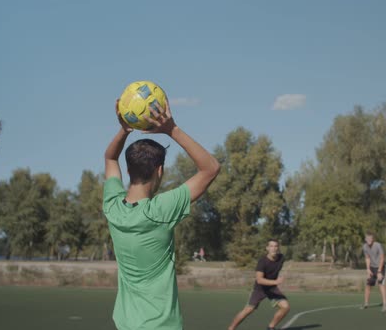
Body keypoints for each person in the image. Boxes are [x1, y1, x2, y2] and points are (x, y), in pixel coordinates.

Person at [103, 99, 220, 330]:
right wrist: (171, 129)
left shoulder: (112, 207)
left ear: (128, 170)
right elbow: (211, 168)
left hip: (126, 324)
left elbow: (110, 158)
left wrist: (125, 129)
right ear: (160, 170)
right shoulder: (161, 210)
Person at [228, 239, 290, 330]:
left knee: (285, 307)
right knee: (249, 309)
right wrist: (276, 282)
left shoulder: (281, 258)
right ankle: (231, 328)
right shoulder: (262, 261)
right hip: (259, 289)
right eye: (271, 246)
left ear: (278, 248)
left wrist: (274, 283)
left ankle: (271, 327)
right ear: (267, 248)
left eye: (276, 246)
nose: (274, 248)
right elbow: (259, 280)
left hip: (272, 289)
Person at [361, 232, 386, 312]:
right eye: (367, 238)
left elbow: (382, 258)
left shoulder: (378, 245)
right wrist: (368, 269)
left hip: (380, 267)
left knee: (381, 284)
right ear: (365, 239)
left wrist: (379, 271)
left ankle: (385, 304)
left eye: (371, 238)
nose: (369, 240)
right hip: (372, 267)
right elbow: (367, 258)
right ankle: (366, 303)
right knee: (368, 284)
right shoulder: (365, 247)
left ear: (373, 239)